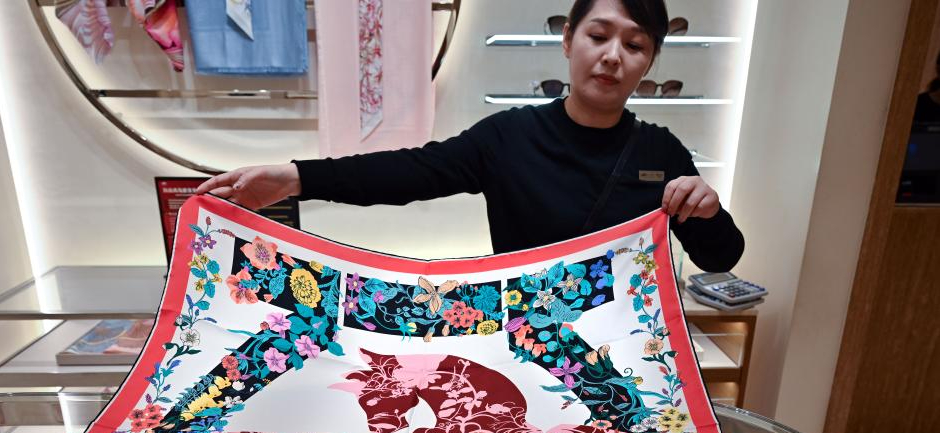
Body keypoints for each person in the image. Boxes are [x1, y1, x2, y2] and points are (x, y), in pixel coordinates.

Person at [196, 0, 744, 272]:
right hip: (526, 346)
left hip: (623, 352)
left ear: (650, 61)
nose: (612, 56)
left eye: (635, 45)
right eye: (598, 36)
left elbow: (721, 258)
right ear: (567, 40)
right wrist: (296, 178)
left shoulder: (661, 151)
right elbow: (409, 171)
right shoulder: (510, 136)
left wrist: (709, 211)